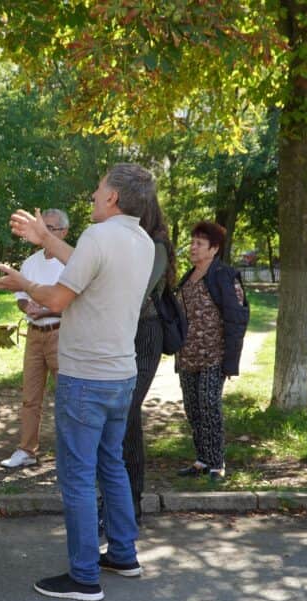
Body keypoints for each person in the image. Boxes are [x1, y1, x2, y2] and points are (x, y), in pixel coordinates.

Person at [0, 164, 156, 601]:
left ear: (113, 198)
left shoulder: (98, 238)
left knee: (79, 475)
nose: (93, 194)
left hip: (86, 376)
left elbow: (57, 297)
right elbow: (84, 264)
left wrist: (23, 282)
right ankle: (123, 554)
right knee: (111, 466)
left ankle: (84, 576)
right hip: (121, 375)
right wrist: (44, 239)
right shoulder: (140, 241)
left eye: (99, 188)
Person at [174, 221, 248, 483]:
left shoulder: (224, 277)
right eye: (192, 242)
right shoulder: (187, 277)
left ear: (214, 249)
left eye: (199, 244)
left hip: (213, 357)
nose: (193, 248)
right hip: (187, 357)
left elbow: (237, 318)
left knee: (209, 406)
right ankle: (202, 460)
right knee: (193, 409)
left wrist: (230, 360)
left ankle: (217, 463)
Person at [120, 197, 178, 512]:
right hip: (122, 333)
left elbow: (138, 293)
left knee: (127, 412)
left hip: (145, 333)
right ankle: (121, 502)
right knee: (122, 417)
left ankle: (131, 503)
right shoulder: (128, 242)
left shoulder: (156, 245)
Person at [0, 209, 69, 469]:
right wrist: (27, 308)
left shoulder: (70, 261)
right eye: (44, 227)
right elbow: (20, 298)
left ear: (64, 232)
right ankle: (26, 450)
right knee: (30, 397)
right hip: (34, 335)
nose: (47, 233)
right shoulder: (30, 262)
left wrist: (49, 309)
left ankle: (69, 453)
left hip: (61, 333)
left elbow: (74, 302)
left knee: (67, 397)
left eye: (53, 228)